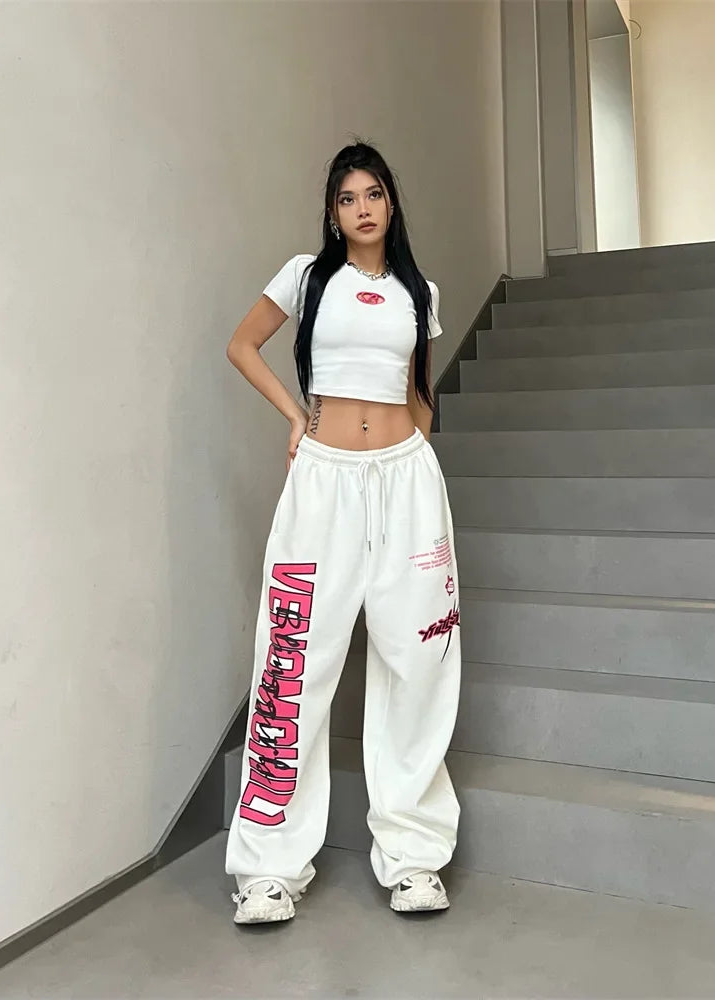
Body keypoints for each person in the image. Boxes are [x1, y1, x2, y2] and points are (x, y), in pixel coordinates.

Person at [224, 140, 462, 925]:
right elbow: (241, 345)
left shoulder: (419, 292)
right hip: (324, 481)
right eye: (347, 197)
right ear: (332, 213)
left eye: (373, 193)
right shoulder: (306, 277)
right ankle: (268, 869)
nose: (362, 208)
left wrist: (413, 461)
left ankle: (415, 859)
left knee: (418, 661)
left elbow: (419, 396)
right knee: (293, 659)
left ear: (391, 201)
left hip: (406, 482)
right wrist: (297, 417)